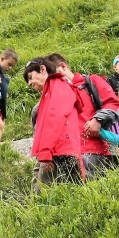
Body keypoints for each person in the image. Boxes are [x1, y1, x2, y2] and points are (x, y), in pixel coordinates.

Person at [50, 53, 119, 178]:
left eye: (53, 75)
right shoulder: (54, 95)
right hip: (70, 157)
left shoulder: (91, 81)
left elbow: (114, 103)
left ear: (63, 66)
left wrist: (98, 120)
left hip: (101, 151)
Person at [23, 57, 84, 186]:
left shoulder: (59, 86)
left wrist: (45, 153)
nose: (29, 83)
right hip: (54, 151)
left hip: (58, 151)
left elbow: (55, 119)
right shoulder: (51, 90)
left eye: (30, 77)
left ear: (42, 69)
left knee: (44, 193)